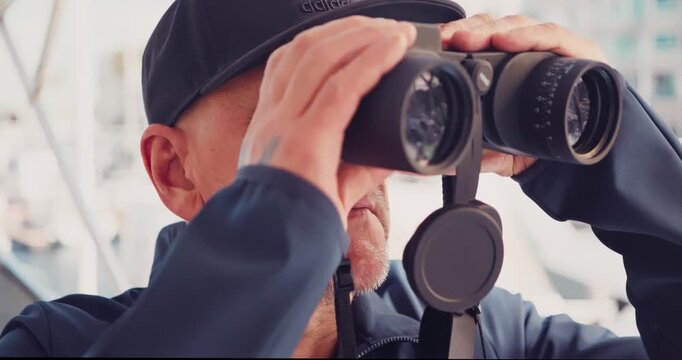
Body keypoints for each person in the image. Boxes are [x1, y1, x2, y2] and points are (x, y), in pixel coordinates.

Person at [1, 0, 681, 358]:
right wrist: (276, 222)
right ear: (173, 171)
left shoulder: (488, 337)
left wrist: (626, 167)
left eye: (381, 89)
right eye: (307, 95)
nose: (360, 150)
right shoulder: (53, 343)